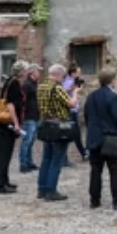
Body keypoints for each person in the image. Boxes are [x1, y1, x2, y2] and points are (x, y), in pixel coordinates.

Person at [83, 66, 117, 210]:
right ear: (112, 80)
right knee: (115, 170)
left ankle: (94, 199)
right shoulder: (113, 97)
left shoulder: (91, 96)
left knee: (95, 170)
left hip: (94, 137)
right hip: (110, 136)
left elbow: (86, 116)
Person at [36, 63, 78, 202]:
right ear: (58, 74)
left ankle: (42, 188)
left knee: (46, 157)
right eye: (63, 76)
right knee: (57, 158)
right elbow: (71, 104)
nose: (63, 78)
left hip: (46, 122)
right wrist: (75, 93)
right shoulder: (56, 87)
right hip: (59, 124)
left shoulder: (41, 86)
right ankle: (51, 190)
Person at [0, 61, 27, 194]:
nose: (26, 73)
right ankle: (1, 184)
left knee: (4, 152)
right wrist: (16, 123)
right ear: (21, 72)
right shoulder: (14, 83)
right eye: (25, 70)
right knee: (4, 153)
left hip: (3, 123)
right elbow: (10, 104)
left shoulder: (9, 81)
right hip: (7, 123)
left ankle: (4, 179)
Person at [62, 63, 89, 164]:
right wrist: (73, 89)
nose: (79, 74)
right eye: (78, 72)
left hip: (74, 110)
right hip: (69, 110)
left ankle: (83, 152)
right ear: (73, 73)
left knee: (75, 133)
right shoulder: (67, 81)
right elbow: (64, 92)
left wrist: (77, 89)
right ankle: (82, 153)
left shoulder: (73, 81)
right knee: (71, 133)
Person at [19, 62, 42, 173]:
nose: (39, 73)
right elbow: (22, 100)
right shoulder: (27, 85)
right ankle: (23, 163)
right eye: (38, 71)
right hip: (29, 116)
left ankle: (29, 161)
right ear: (32, 72)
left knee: (31, 140)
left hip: (35, 115)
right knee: (27, 141)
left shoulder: (35, 84)